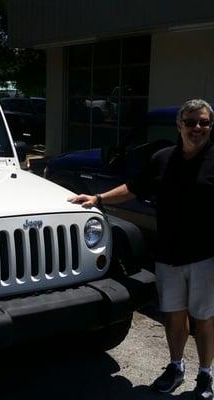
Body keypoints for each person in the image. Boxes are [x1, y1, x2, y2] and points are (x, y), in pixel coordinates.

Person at [68, 99, 214, 400]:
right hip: (168, 254)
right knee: (173, 314)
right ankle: (176, 367)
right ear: (179, 126)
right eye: (191, 122)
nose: (197, 128)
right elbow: (134, 188)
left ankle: (205, 375)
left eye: (204, 122)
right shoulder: (162, 158)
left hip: (206, 257)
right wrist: (98, 198)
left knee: (204, 317)